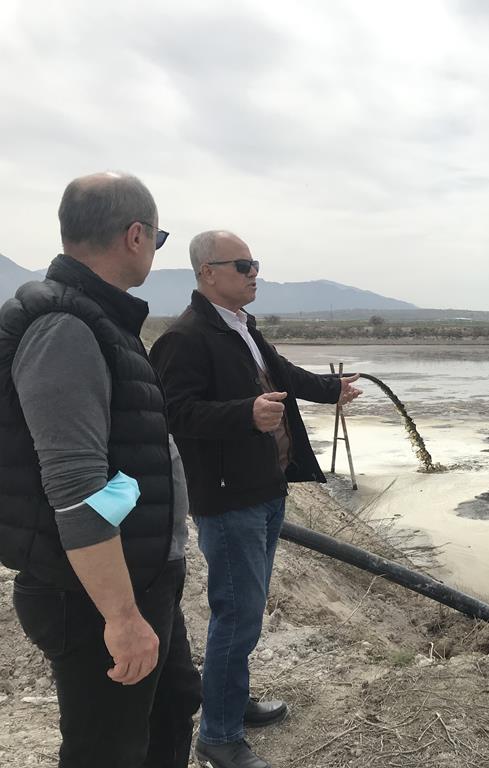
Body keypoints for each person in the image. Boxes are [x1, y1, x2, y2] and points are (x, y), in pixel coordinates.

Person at [0, 172, 201, 767]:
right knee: (106, 751)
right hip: (91, 592)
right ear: (135, 235)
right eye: (158, 239)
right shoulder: (64, 326)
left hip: (137, 573)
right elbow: (75, 487)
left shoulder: (99, 318)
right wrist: (121, 616)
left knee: (170, 709)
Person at [150, 230, 361, 768]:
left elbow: (282, 376)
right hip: (228, 499)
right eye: (242, 265)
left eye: (254, 264)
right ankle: (217, 736)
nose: (253, 273)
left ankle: (232, 702)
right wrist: (244, 414)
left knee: (245, 610)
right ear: (206, 273)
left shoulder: (240, 327)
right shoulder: (186, 337)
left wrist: (331, 389)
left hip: (264, 489)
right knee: (236, 614)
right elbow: (175, 415)